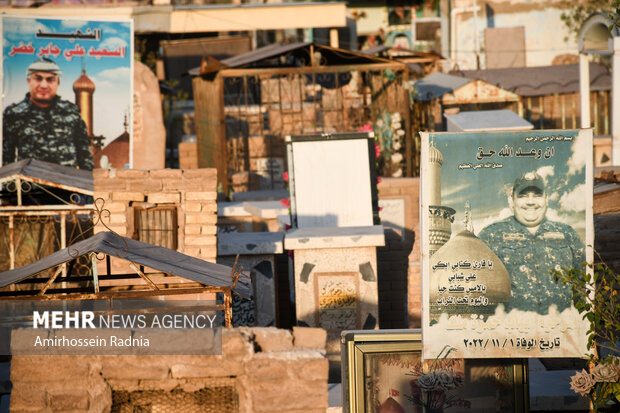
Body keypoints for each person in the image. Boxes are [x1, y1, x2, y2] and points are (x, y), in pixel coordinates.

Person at [478, 172, 585, 314]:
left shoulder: (568, 234)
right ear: (511, 201)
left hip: (558, 331)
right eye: (523, 196)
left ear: (546, 199)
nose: (530, 201)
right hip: (509, 331)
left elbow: (583, 288)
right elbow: (477, 289)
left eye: (537, 195)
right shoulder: (489, 236)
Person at [2, 58, 93, 170]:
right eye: (38, 79)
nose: (44, 85)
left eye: (50, 80)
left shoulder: (71, 113)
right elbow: (6, 158)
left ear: (58, 83)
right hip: (30, 184)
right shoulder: (14, 114)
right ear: (29, 81)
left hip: (66, 183)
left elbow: (84, 157)